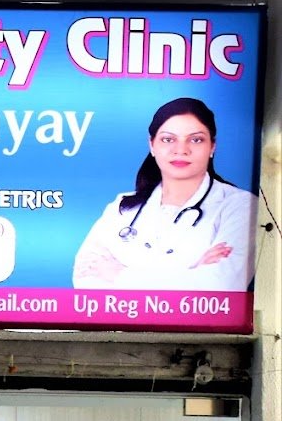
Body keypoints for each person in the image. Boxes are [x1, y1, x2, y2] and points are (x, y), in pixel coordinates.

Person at [73, 97, 257, 291]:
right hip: (119, 314)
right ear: (152, 145)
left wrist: (121, 274)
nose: (181, 150)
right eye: (168, 139)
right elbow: (85, 277)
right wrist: (192, 270)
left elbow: (222, 285)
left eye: (196, 140)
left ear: (212, 146)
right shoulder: (122, 207)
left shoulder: (241, 206)